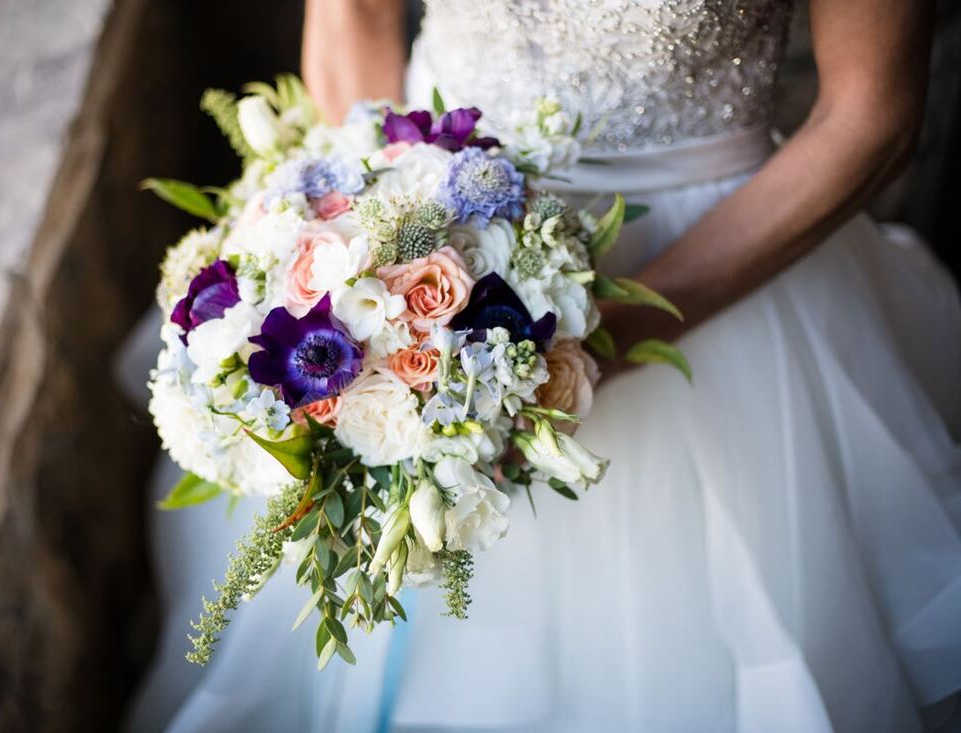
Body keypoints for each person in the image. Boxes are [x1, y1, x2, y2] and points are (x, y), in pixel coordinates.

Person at [122, 1, 961, 730]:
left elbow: (873, 115)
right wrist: (356, 259)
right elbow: (356, 15)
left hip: (723, 271)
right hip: (419, 222)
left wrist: (594, 337)